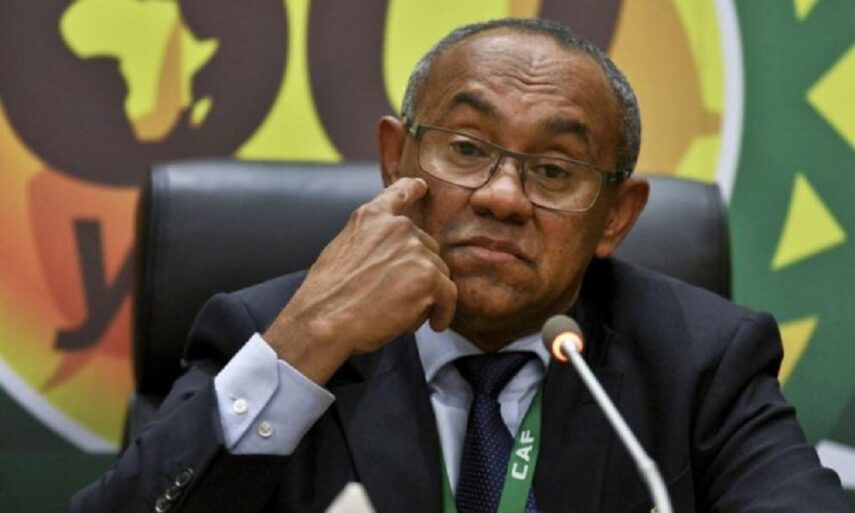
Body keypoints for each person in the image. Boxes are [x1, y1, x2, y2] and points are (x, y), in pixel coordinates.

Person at [70, 18, 851, 513]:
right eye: (468, 149)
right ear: (395, 159)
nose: (503, 197)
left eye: (554, 170)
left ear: (615, 215)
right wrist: (302, 344)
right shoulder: (271, 332)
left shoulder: (701, 358)